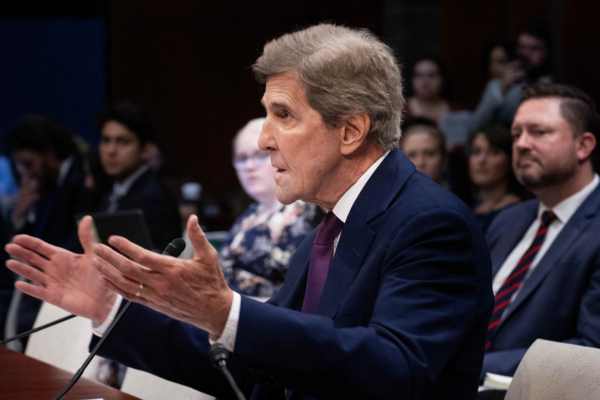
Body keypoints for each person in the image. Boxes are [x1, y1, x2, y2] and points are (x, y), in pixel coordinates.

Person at [5, 24, 493, 399]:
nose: (263, 140)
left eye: (283, 115)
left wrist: (228, 312)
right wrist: (112, 311)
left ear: (350, 131)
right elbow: (249, 366)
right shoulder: (326, 230)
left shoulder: (430, 223)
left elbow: (396, 370)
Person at [482, 83, 600, 377]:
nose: (521, 144)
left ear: (583, 146)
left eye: (539, 132)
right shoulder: (507, 221)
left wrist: (474, 368)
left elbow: (591, 351)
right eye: (516, 134)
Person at [4, 115, 85, 340]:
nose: (27, 173)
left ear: (50, 154)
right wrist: (20, 215)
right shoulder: (50, 185)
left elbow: (77, 240)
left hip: (68, 285)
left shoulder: (81, 180)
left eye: (30, 164)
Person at [221, 118, 317, 298]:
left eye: (260, 155)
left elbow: (302, 299)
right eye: (241, 158)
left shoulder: (308, 214)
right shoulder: (251, 213)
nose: (249, 166)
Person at [95, 102, 181, 251]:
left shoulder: (155, 198)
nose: (111, 150)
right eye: (105, 140)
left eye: (122, 142)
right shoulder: (109, 190)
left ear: (145, 150)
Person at [470, 21, 552, 130]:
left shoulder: (555, 83)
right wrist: (503, 88)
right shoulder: (497, 85)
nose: (526, 54)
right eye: (522, 47)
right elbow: (474, 127)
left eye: (534, 48)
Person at [469, 123, 523, 233]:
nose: (482, 160)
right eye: (476, 151)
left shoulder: (518, 211)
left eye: (494, 152)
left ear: (510, 160)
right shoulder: (465, 209)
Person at [403, 56, 463, 125]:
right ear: (411, 79)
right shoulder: (399, 112)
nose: (425, 82)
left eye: (431, 75)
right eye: (419, 75)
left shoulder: (458, 112)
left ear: (442, 79)